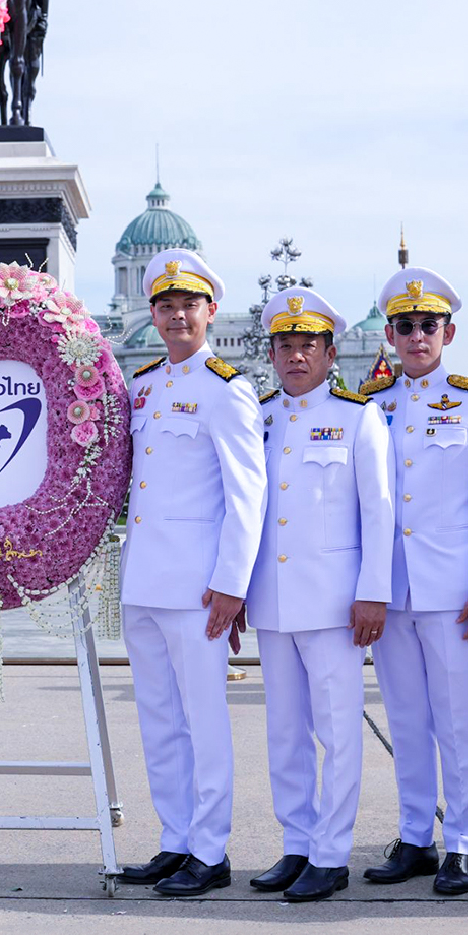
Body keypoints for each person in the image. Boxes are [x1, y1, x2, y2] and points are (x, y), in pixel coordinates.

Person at [117, 249, 267, 898]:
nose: (177, 316)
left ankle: (212, 850)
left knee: (204, 721)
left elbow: (247, 493)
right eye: (166, 306)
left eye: (189, 305)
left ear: (210, 312)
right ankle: (175, 839)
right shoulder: (143, 386)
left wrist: (233, 584)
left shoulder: (226, 389)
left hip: (199, 588)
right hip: (143, 581)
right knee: (158, 719)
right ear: (152, 313)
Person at [361, 269, 468, 895]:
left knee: (458, 721)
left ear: (448, 332)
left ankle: (464, 843)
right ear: (391, 335)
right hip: (392, 593)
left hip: (454, 593)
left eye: (428, 325)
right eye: (405, 326)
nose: (417, 336)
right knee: (406, 717)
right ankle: (415, 836)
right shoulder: (373, 406)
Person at [244, 288, 392, 903]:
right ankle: (297, 844)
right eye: (285, 345)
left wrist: (373, 593)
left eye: (309, 345)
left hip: (336, 603)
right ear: (272, 354)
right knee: (285, 731)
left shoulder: (360, 417)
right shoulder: (259, 417)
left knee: (338, 730)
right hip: (274, 601)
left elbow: (379, 511)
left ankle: (332, 854)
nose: (296, 356)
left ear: (330, 353)